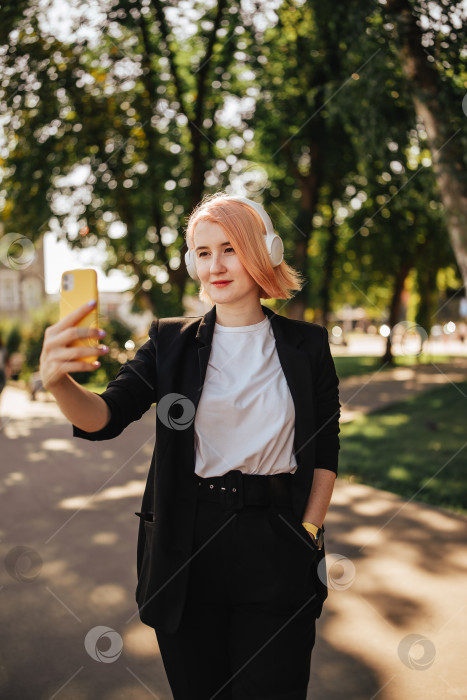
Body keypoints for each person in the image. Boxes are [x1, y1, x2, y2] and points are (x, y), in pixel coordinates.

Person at [39, 193, 341, 700]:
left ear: (264, 251)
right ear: (191, 263)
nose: (215, 265)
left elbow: (325, 447)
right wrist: (59, 384)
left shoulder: (307, 344)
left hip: (277, 540)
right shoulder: (169, 342)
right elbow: (105, 417)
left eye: (230, 248)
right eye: (203, 252)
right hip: (188, 545)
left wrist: (308, 529)